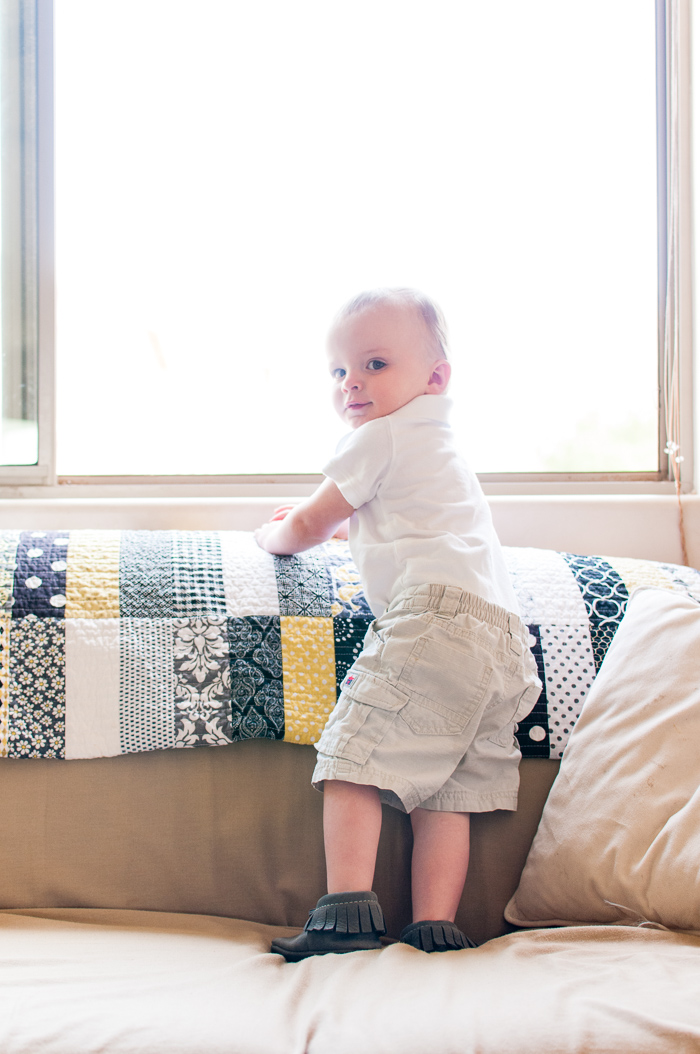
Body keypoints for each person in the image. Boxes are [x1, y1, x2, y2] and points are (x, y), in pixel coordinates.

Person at [255, 288, 541, 961]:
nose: (352, 383)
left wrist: (275, 532)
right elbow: (394, 521)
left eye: (375, 364)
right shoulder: (439, 450)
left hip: (436, 621)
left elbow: (307, 525)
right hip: (503, 642)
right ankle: (434, 926)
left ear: (435, 378)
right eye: (338, 370)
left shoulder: (378, 436)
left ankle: (345, 915)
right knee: (446, 792)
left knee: (353, 757)